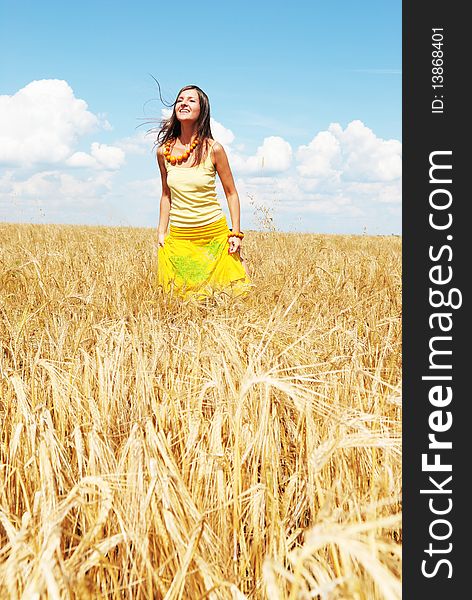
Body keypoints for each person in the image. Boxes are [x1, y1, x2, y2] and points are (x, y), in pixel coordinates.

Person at [154, 84, 251, 301]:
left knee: (232, 294)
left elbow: (231, 193)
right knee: (183, 298)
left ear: (202, 110)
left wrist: (235, 232)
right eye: (180, 99)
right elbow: (166, 195)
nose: (183, 103)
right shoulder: (163, 152)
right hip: (181, 236)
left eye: (191, 100)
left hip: (213, 234)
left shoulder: (214, 149)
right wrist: (161, 231)